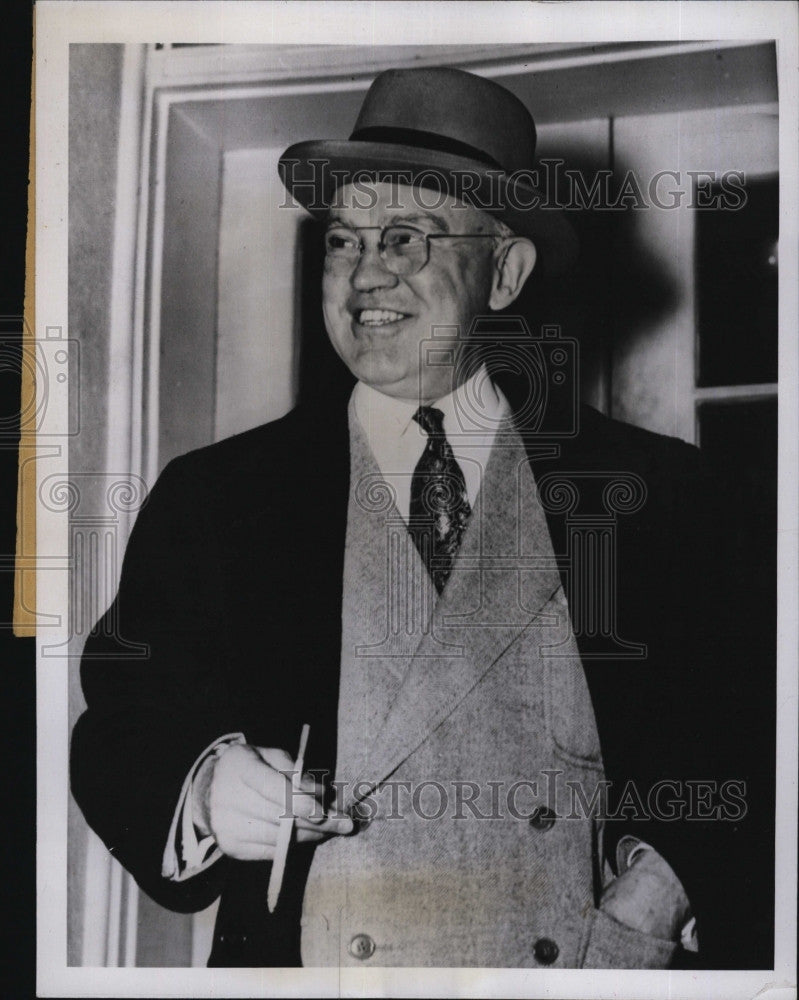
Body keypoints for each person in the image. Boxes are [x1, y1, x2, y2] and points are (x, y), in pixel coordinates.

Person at [71, 66, 773, 970]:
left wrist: (660, 888)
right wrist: (204, 784)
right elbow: (123, 718)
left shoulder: (666, 493)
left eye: (409, 238)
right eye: (341, 240)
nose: (366, 273)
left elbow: (751, 727)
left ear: (505, 272)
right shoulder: (219, 497)